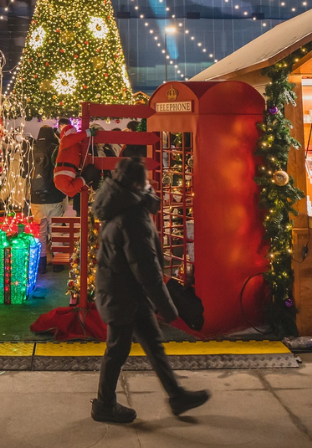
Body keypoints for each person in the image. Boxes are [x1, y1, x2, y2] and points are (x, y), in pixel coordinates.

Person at [91, 157, 209, 423]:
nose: (151, 184)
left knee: (153, 345)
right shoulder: (132, 218)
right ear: (136, 183)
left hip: (126, 293)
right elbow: (147, 270)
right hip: (122, 296)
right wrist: (169, 308)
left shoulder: (122, 205)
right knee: (117, 350)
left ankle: (176, 395)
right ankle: (104, 404)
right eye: (146, 180)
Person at [29, 125, 65, 265]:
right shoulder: (55, 149)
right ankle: (57, 262)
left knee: (40, 232)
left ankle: (42, 262)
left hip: (36, 198)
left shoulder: (32, 149)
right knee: (56, 230)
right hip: (53, 195)